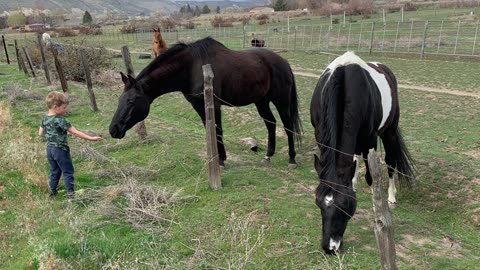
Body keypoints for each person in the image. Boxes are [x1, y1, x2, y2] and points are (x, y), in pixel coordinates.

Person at [38, 91, 102, 199]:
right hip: (60, 150)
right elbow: (75, 132)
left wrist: (52, 135)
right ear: (55, 107)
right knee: (68, 171)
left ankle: (52, 193)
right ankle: (71, 194)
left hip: (50, 149)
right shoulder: (60, 120)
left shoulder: (44, 118)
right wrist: (91, 138)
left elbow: (40, 133)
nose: (66, 110)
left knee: (55, 171)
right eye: (63, 107)